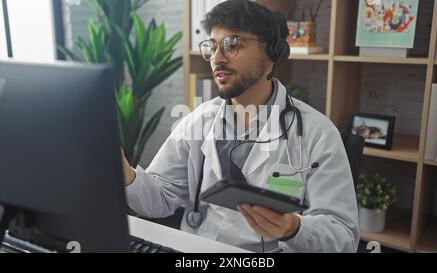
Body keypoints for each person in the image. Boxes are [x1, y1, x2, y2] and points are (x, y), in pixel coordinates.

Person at [122, 0, 359, 253]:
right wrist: (123, 171)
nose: (216, 59)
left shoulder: (318, 133)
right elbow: (159, 198)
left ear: (272, 54)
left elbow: (343, 237)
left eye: (232, 45)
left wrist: (294, 228)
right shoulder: (199, 119)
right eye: (212, 47)